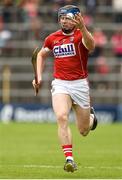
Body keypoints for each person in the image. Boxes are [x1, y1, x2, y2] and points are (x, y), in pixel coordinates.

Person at [32, 5, 98, 173]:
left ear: (76, 19)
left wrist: (83, 28)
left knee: (83, 130)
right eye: (62, 18)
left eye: (68, 18)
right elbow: (40, 54)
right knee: (61, 117)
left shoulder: (80, 36)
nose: (64, 20)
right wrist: (38, 77)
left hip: (80, 85)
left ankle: (91, 118)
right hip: (60, 83)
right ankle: (69, 159)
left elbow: (91, 46)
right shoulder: (52, 38)